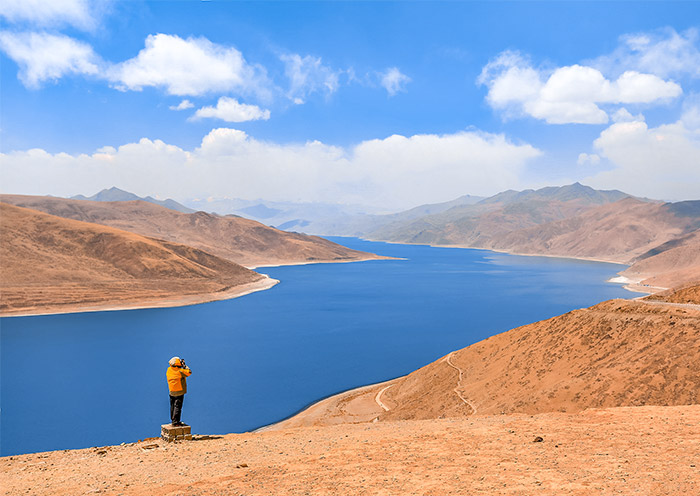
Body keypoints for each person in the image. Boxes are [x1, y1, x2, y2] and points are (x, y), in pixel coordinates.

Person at [166, 356, 192, 426]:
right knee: (177, 407)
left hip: (172, 391)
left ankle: (173, 419)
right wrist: (184, 365)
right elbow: (189, 372)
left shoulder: (169, 370)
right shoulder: (180, 371)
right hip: (179, 391)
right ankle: (176, 422)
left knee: (172, 406)